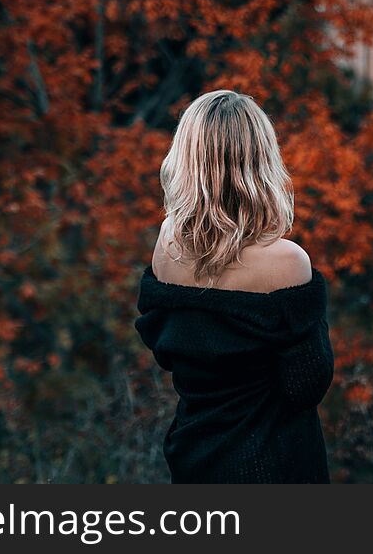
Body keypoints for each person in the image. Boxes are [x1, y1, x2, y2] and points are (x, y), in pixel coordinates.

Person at [135, 90, 334, 483]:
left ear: (186, 160)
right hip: (274, 469)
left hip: (195, 460)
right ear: (262, 161)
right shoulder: (288, 262)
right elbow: (306, 386)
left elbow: (169, 351)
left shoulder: (167, 246)